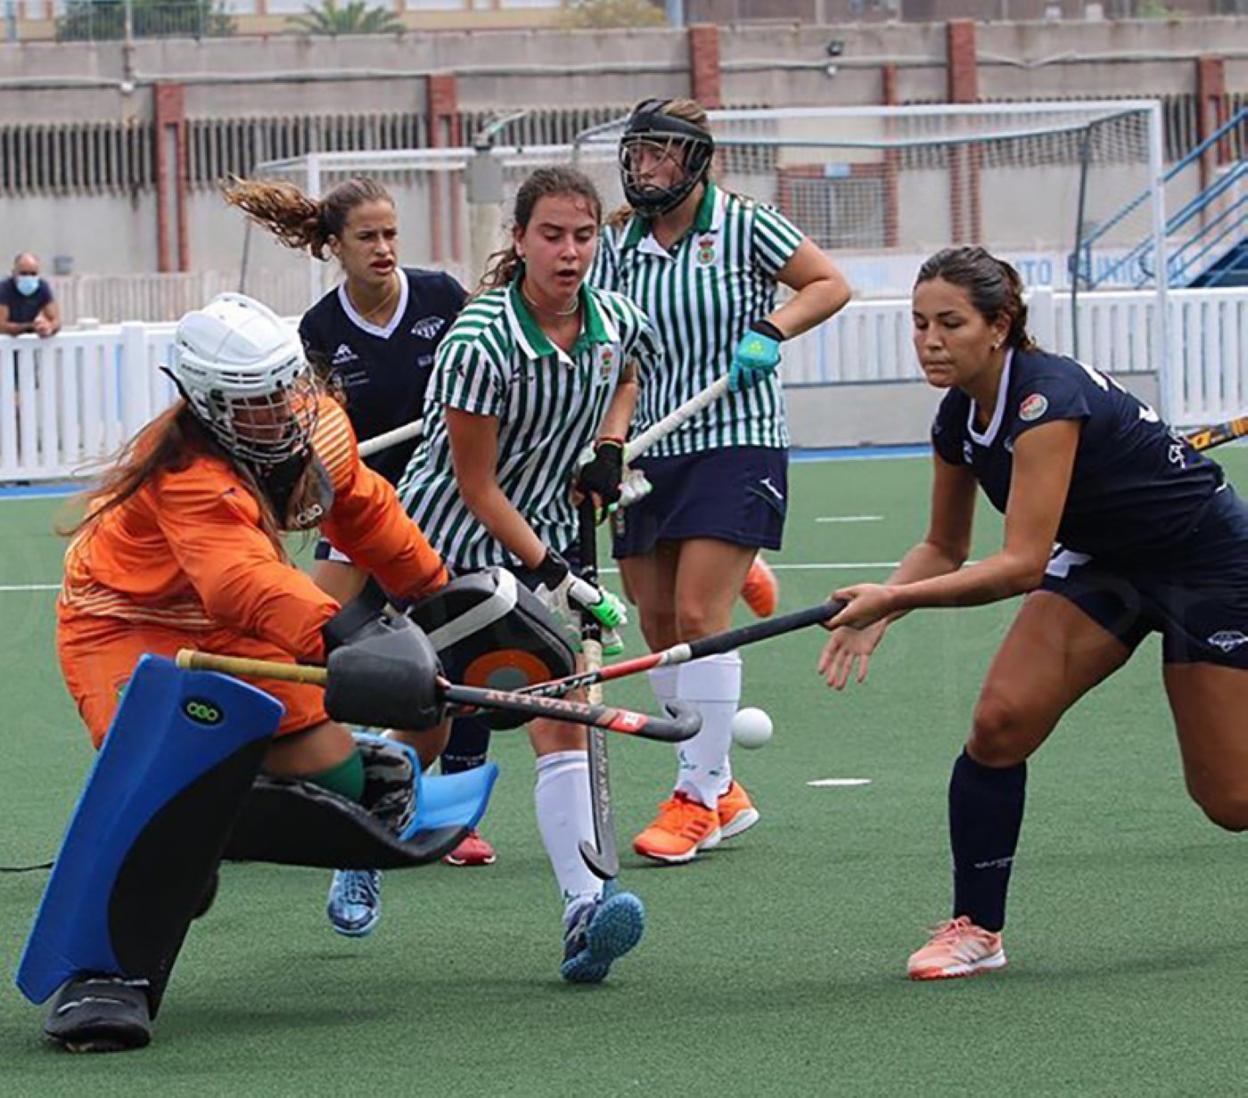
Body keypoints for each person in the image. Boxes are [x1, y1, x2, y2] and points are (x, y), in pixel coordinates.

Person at [818, 246, 1248, 979]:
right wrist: (882, 605)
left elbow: (1019, 565)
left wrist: (898, 599)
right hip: (1104, 566)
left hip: (1203, 566)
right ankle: (978, 929)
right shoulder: (957, 419)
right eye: (919, 324)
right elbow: (943, 546)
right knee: (999, 724)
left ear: (1001, 325)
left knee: (1231, 802)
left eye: (950, 323)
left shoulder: (1044, 400)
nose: (930, 340)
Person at [50, 291, 452, 1048]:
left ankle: (208, 831)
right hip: (124, 627)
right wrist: (346, 644)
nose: (284, 408)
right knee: (158, 788)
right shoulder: (185, 472)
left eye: (287, 386)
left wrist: (435, 595)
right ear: (210, 405)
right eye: (259, 399)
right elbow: (243, 580)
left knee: (334, 772)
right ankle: (101, 975)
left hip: (229, 625)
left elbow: (365, 509)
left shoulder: (314, 428)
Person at [397, 165, 663, 984]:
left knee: (562, 716)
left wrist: (611, 446)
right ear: (518, 241)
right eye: (552, 234)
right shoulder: (480, 341)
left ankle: (584, 913)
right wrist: (556, 570)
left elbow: (627, 373)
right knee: (425, 721)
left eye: (583, 236)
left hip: (541, 535)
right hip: (445, 545)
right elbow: (476, 485)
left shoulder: (616, 321)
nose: (570, 251)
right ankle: (358, 855)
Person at [224, 175, 495, 935]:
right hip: (360, 506)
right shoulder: (317, 328)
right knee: (308, 645)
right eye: (367, 238)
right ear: (334, 247)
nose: (384, 249)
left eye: (391, 234)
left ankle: (440, 804)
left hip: (445, 506)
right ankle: (274, 781)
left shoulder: (441, 297)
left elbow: (488, 380)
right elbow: (314, 436)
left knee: (451, 653)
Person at [592, 98, 851, 864]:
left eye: (661, 153)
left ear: (695, 160)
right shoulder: (617, 244)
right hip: (646, 445)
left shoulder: (744, 224)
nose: (645, 167)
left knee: (702, 616)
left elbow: (828, 284)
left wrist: (771, 331)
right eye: (637, 153)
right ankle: (724, 782)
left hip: (734, 438)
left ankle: (695, 799)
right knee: (655, 619)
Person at [0, 252, 60, 337]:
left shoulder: (42, 287)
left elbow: (56, 321)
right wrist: (30, 327)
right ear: (14, 273)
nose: (28, 277)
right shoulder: (4, 289)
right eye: (23, 273)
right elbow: (1, 326)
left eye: (33, 274)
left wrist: (48, 327)